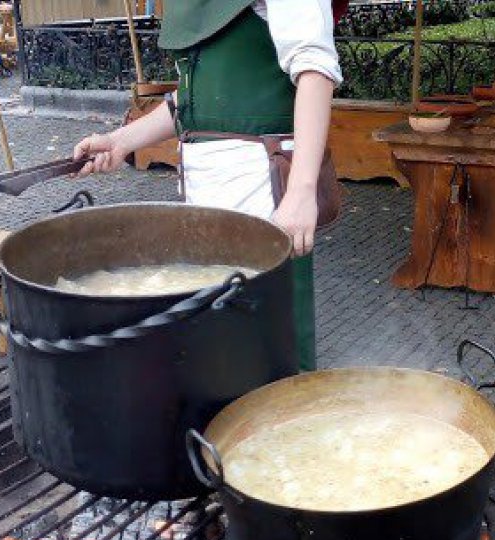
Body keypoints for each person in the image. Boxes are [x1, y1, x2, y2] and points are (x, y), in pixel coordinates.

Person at [71, 0, 345, 372]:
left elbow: (315, 71)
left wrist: (300, 191)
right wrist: (121, 140)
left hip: (262, 192)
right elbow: (191, 99)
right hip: (205, 199)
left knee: (270, 355)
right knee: (218, 353)